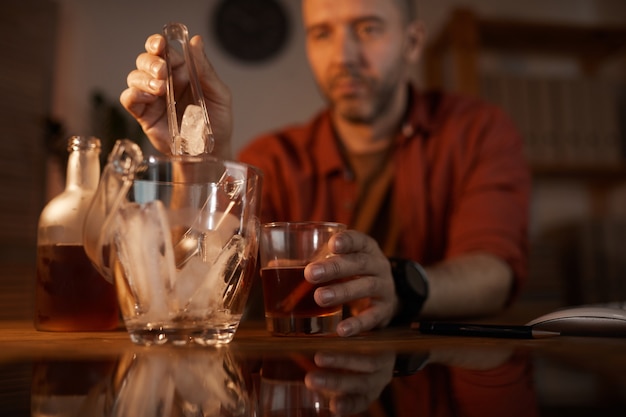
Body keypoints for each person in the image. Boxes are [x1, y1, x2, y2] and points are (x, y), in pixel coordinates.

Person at [120, 0, 530, 337]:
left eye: (368, 28)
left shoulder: (479, 132)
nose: (344, 56)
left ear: (413, 41)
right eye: (322, 33)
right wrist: (202, 159)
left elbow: (493, 273)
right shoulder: (272, 158)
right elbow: (197, 293)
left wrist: (401, 286)